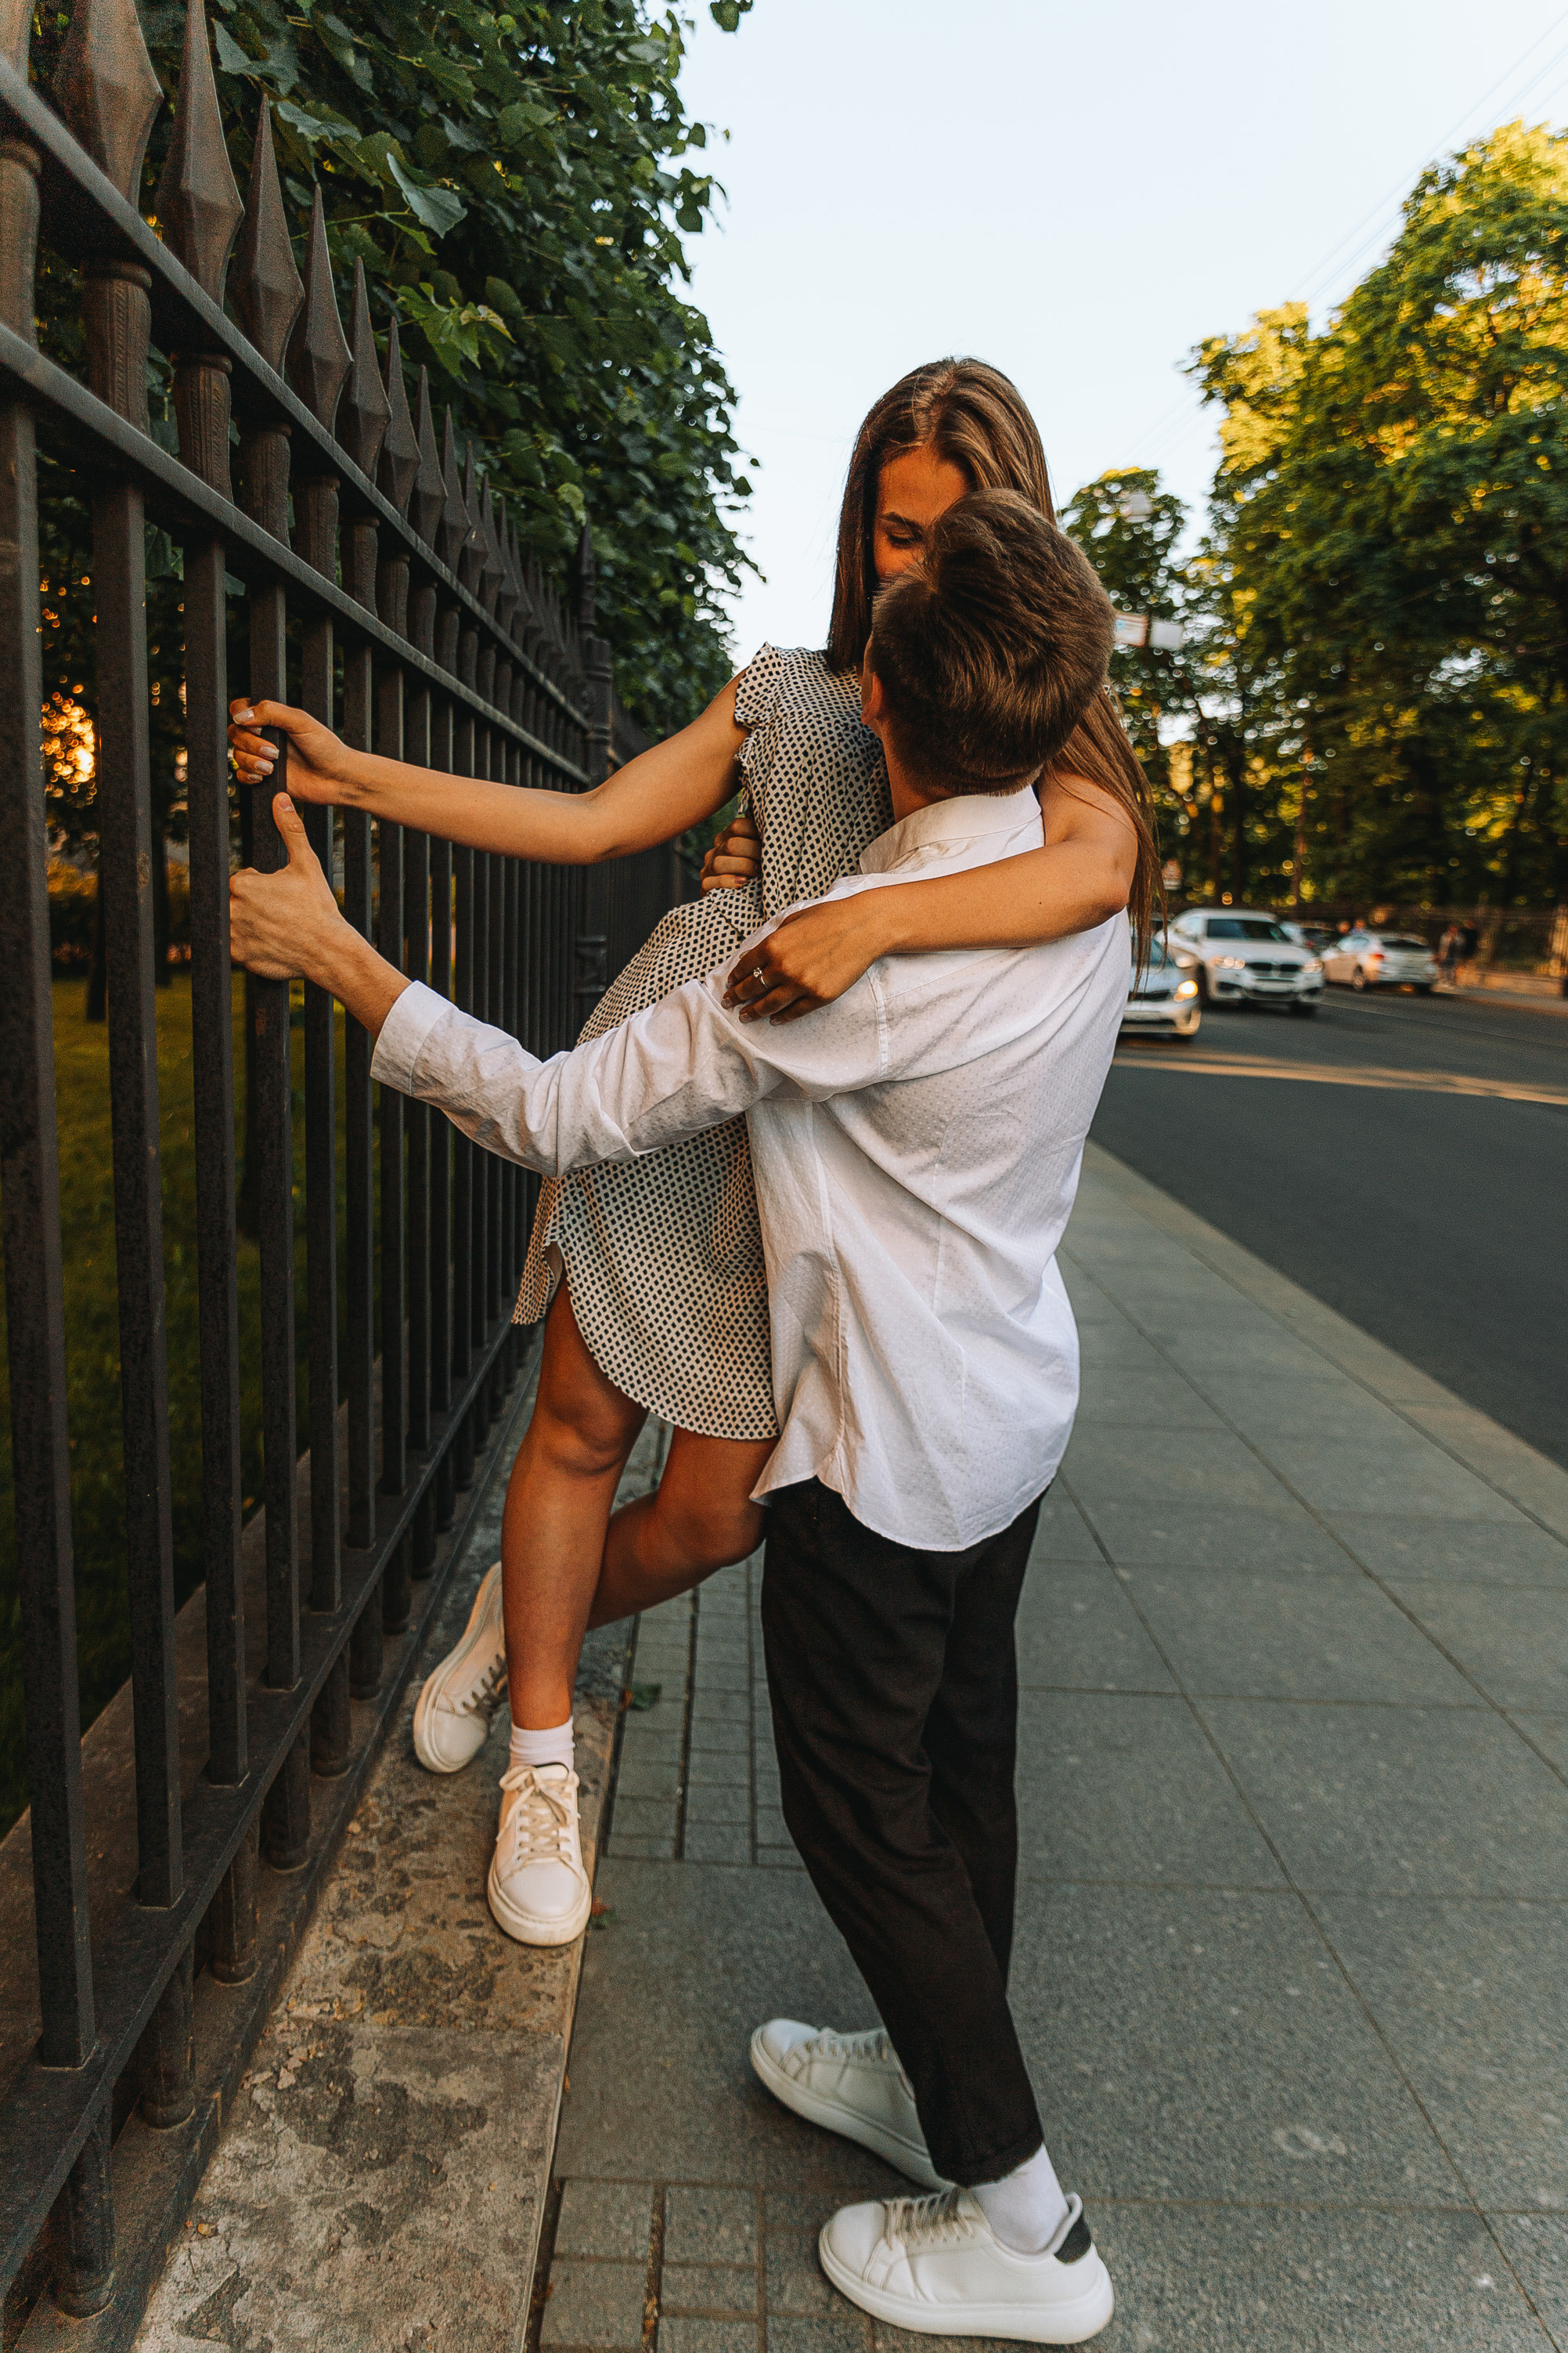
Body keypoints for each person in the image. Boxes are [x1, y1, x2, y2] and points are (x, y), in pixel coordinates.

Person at [230, 489, 1123, 2344]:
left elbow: (556, 1113)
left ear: (881, 708)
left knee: (858, 1811)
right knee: (964, 1776)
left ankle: (1030, 2234)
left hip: (882, 1454)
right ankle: (920, 2073)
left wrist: (344, 963)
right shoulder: (1074, 857)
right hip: (1015, 1413)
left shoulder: (841, 955)